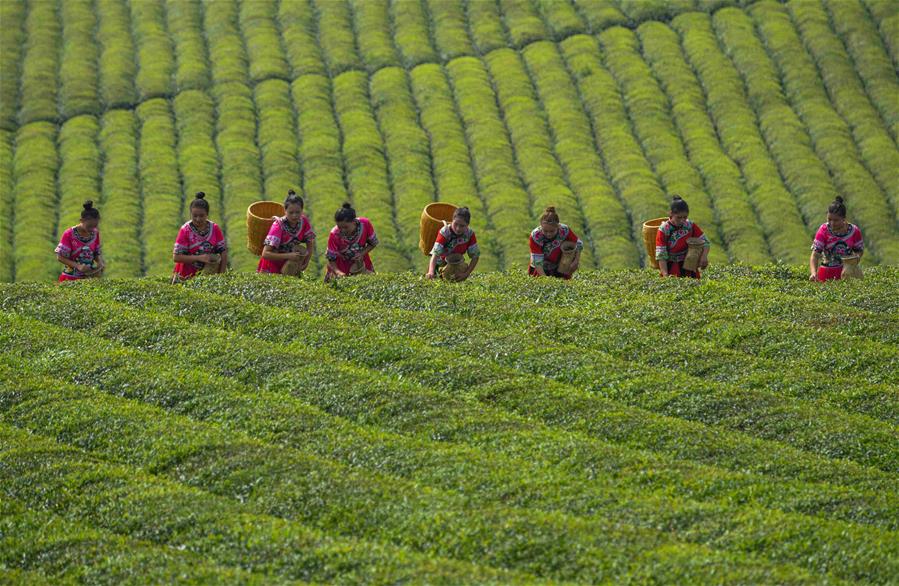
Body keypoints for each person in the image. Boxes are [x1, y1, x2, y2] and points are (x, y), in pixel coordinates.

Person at [172, 192, 227, 282]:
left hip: (209, 276)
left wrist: (221, 276)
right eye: (195, 216)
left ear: (207, 215)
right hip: (186, 276)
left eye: (201, 216)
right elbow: (176, 257)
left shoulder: (215, 228)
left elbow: (223, 253)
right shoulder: (185, 230)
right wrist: (199, 258)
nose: (198, 219)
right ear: (190, 214)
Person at [258, 189, 316, 275]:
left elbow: (310, 245)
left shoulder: (304, 222)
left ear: (302, 210)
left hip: (290, 266)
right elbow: (265, 254)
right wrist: (289, 255)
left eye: (298, 212)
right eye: (291, 212)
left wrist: (306, 262)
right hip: (272, 266)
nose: (294, 216)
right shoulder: (278, 226)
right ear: (285, 211)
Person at [809, 196, 864, 282]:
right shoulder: (823, 230)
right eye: (829, 219)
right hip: (827, 272)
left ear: (844, 218)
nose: (832, 223)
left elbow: (859, 250)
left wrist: (854, 259)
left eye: (836, 220)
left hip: (848, 272)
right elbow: (815, 255)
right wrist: (813, 272)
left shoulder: (854, 231)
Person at [656, 196, 709, 278]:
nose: (682, 220)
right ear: (671, 214)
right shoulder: (664, 229)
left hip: (688, 266)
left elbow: (705, 241)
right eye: (679, 217)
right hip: (671, 267)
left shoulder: (689, 225)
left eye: (685, 217)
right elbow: (661, 255)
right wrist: (665, 276)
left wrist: (704, 257)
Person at [325, 203, 378, 282]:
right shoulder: (334, 234)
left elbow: (373, 243)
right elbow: (331, 258)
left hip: (360, 263)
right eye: (340, 227)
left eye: (346, 227)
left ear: (353, 222)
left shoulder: (365, 224)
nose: (342, 230)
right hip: (341, 266)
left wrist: (362, 253)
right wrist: (338, 272)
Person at [56, 200, 105, 282]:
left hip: (89, 278)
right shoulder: (69, 234)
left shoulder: (95, 233)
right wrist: (78, 266)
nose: (92, 229)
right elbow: (60, 257)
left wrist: (100, 262)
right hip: (70, 278)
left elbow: (96, 253)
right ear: (81, 221)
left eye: (95, 226)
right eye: (89, 226)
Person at [528, 206, 583, 279]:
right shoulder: (535, 236)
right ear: (541, 226)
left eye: (552, 231)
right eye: (545, 231)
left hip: (561, 265)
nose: (548, 234)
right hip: (541, 269)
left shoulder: (564, 230)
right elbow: (538, 263)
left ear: (558, 226)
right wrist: (546, 280)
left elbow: (579, 244)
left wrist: (576, 261)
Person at [427, 207, 480, 281]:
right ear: (452, 221)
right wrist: (431, 271)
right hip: (440, 264)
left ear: (467, 225)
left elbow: (475, 256)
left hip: (457, 263)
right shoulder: (445, 232)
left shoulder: (469, 234)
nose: (458, 228)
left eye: (462, 226)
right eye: (455, 224)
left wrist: (466, 274)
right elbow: (435, 254)